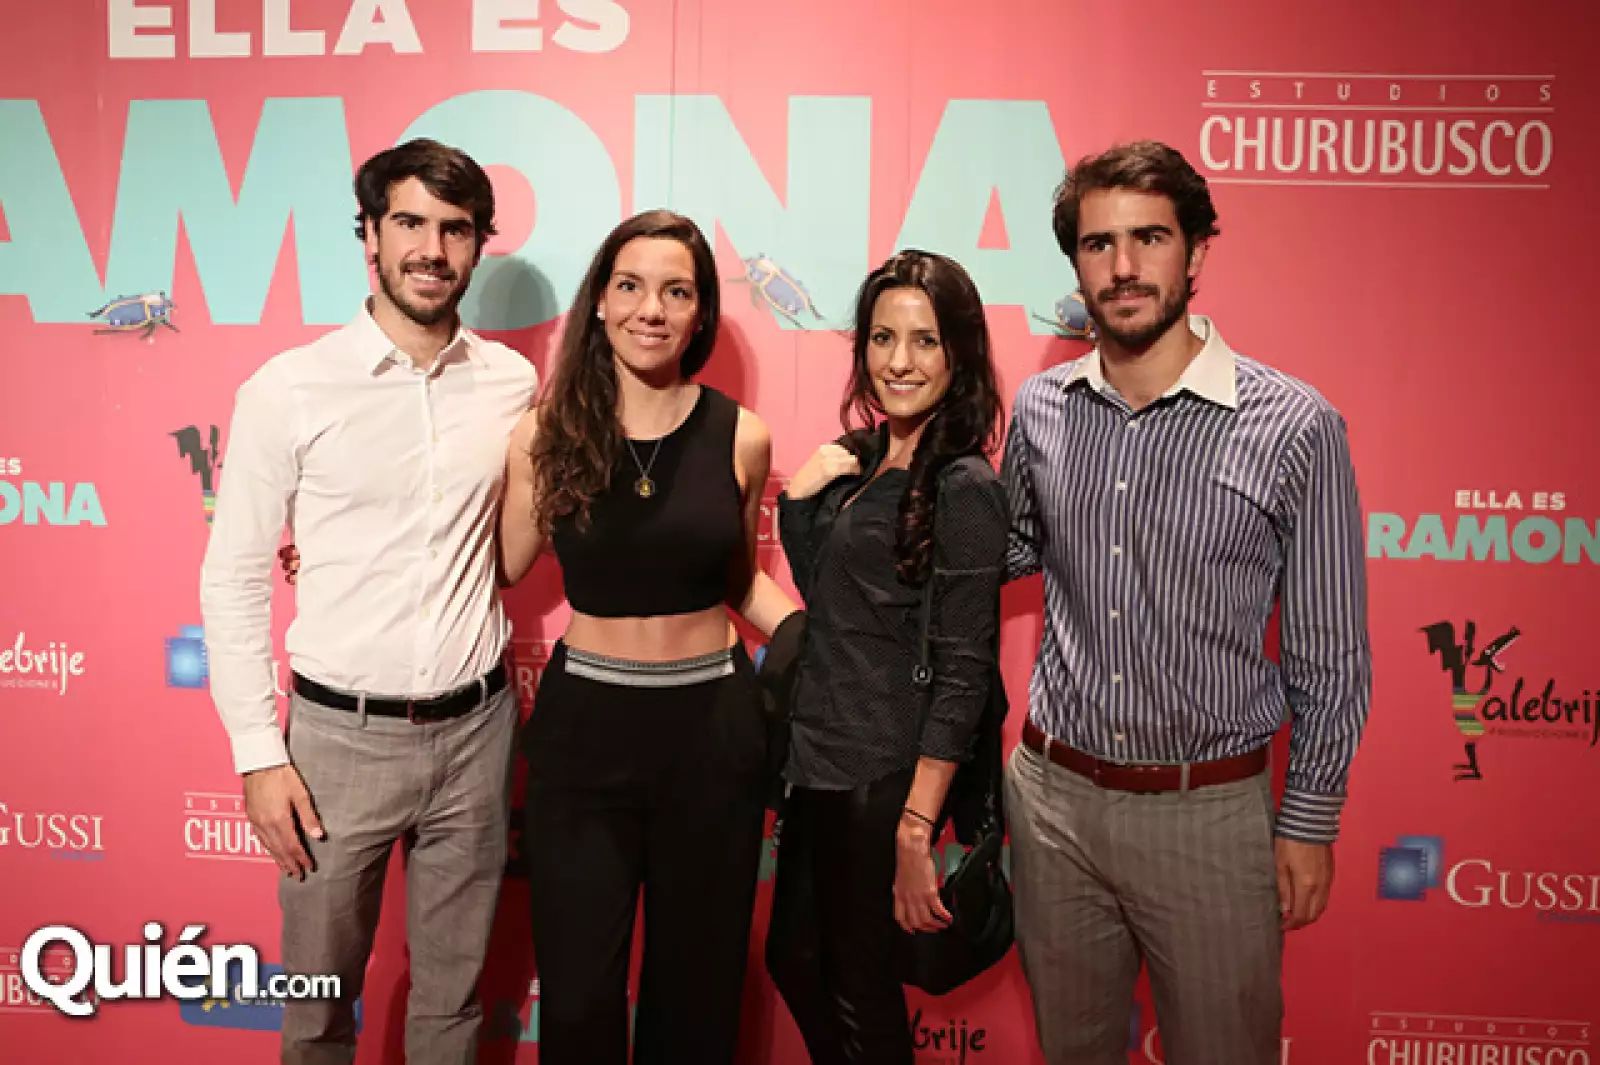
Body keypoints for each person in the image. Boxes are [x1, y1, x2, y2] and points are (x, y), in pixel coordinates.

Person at [999, 141, 1371, 1065]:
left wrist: (1310, 816)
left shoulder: (1295, 425)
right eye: (1098, 244)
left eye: (1150, 238)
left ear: (1197, 250)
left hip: (1207, 814)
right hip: (1051, 805)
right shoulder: (1040, 410)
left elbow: (1330, 650)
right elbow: (1001, 554)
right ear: (1076, 263)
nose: (1123, 266)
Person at [198, 139, 536, 1065]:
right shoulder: (289, 388)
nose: (432, 249)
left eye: (455, 229)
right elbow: (232, 574)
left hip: (477, 733)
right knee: (316, 1010)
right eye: (410, 223)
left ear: (478, 245)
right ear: (370, 237)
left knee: (453, 1005)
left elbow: (506, 544)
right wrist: (258, 754)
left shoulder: (512, 383)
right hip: (335, 742)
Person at [496, 209, 798, 1065]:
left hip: (712, 734)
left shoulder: (741, 435)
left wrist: (815, 633)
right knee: (579, 997)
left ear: (700, 313)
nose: (651, 309)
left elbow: (736, 581)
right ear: (599, 301)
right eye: (630, 286)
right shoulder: (545, 433)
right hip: (585, 733)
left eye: (677, 291)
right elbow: (502, 562)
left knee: (697, 996)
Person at [764, 250, 1009, 1065]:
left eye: (924, 340)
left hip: (882, 774)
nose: (899, 361)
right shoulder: (868, 459)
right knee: (797, 958)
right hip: (819, 761)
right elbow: (833, 603)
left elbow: (966, 668)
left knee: (858, 987)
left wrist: (916, 825)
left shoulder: (965, 485)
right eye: (882, 337)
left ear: (959, 353)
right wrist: (801, 500)